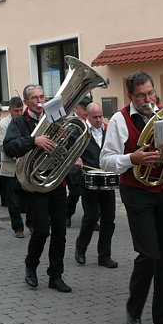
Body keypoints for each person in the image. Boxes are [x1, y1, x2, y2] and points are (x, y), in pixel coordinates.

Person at [100, 71, 163, 324]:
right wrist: (132, 158)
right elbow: (106, 160)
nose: (147, 99)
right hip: (137, 191)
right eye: (141, 95)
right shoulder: (119, 119)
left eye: (150, 93)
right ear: (131, 96)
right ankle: (134, 313)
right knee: (148, 255)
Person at [4, 84, 72, 293]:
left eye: (41, 96)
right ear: (26, 102)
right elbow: (9, 147)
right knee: (42, 230)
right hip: (34, 184)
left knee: (60, 231)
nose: (39, 100)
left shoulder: (56, 117)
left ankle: (56, 275)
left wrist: (67, 136)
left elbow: (71, 142)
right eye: (34, 98)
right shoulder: (18, 122)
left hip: (57, 181)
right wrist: (34, 141)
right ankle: (31, 266)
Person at [74, 102, 117, 269]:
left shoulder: (108, 130)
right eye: (95, 117)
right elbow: (71, 151)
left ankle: (104, 255)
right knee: (91, 217)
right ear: (87, 116)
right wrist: (76, 159)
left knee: (109, 219)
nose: (99, 120)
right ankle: (81, 247)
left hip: (107, 179)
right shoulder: (80, 133)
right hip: (89, 180)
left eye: (100, 116)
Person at [0, 96, 26, 238]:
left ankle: (31, 223)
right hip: (10, 167)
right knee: (12, 201)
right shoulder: (2, 125)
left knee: (29, 198)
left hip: (26, 167)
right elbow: (3, 146)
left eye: (21, 110)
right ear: (10, 110)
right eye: (16, 110)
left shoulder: (26, 122)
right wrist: (22, 153)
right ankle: (17, 227)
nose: (19, 113)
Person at [66, 96, 91, 226]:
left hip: (88, 163)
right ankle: (67, 214)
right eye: (84, 109)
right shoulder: (71, 124)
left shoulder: (90, 122)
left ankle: (91, 219)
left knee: (89, 193)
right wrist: (75, 157)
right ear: (77, 108)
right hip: (73, 164)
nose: (86, 111)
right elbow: (66, 144)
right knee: (75, 192)